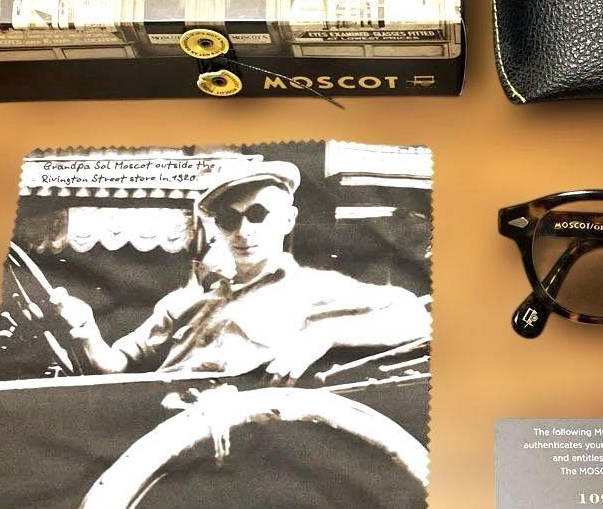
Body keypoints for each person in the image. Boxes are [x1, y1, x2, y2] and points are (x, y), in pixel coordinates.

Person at [49, 161, 431, 382]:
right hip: (149, 426)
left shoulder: (316, 290)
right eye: (229, 219)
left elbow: (419, 320)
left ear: (288, 221)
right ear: (218, 227)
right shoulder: (182, 305)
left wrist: (325, 335)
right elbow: (117, 367)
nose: (243, 232)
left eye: (258, 215)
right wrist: (87, 332)